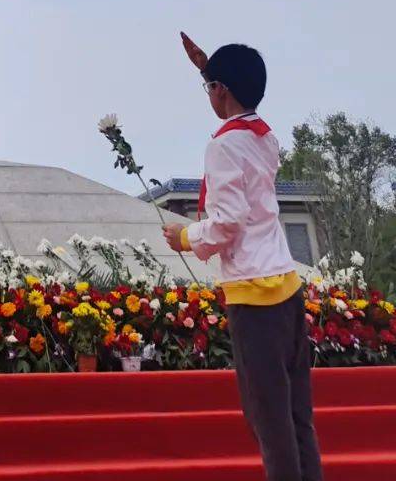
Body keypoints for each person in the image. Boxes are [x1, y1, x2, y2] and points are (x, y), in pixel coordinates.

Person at [163, 41, 325, 481]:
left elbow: (228, 220)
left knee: (267, 421)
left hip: (254, 299)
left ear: (221, 90)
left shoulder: (222, 147)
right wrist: (210, 71)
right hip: (287, 288)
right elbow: (238, 102)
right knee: (296, 417)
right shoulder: (265, 137)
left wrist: (185, 236)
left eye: (210, 89)